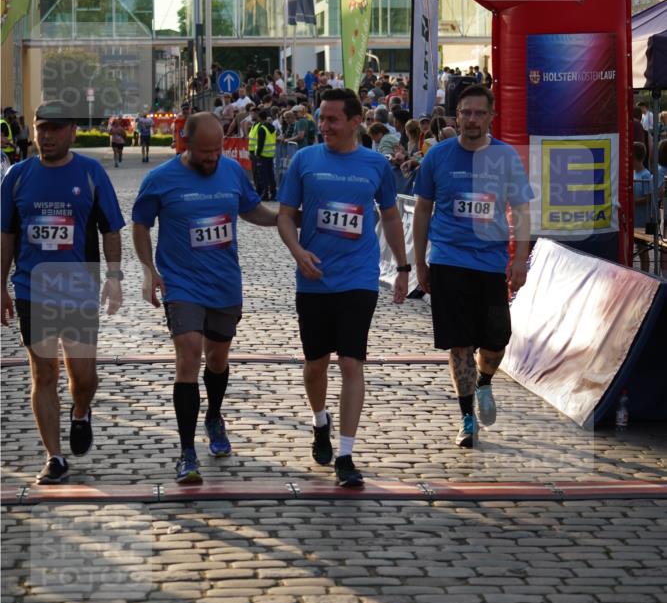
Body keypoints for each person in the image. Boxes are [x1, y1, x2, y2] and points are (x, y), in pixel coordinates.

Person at [132, 112, 278, 484]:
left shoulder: (231, 172)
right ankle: (186, 452)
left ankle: (214, 414)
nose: (213, 158)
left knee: (216, 359)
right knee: (189, 355)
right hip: (181, 284)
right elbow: (140, 224)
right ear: (185, 142)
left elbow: (253, 210)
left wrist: (283, 218)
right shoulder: (160, 180)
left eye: (217, 150)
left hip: (224, 283)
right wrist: (149, 270)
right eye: (205, 152)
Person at [277, 88, 409, 488]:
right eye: (322, 118)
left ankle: (346, 454)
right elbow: (285, 217)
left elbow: (390, 217)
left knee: (352, 363)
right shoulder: (304, 160)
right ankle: (321, 422)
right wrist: (298, 251)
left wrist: (403, 268)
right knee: (315, 365)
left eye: (333, 119)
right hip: (314, 279)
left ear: (355, 122)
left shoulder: (375, 165)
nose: (324, 126)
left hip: (358, 278)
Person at [1, 100, 124, 484]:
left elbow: (111, 228)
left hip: (78, 285)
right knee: (43, 371)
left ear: (72, 131)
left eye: (56, 129)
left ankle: (81, 411)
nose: (47, 136)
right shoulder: (17, 176)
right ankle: (54, 457)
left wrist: (114, 276)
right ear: (33, 131)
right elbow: (5, 234)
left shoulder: (90, 172)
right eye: (41, 129)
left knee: (83, 376)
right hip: (32, 287)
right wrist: (0, 285)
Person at [412, 84, 533, 447]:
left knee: (496, 341)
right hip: (449, 260)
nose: (472, 119)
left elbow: (523, 210)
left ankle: (484, 382)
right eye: (465, 112)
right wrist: (419, 262)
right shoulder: (438, 156)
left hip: (491, 263)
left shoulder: (506, 157)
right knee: (459, 345)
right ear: (456, 116)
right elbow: (421, 210)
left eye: (480, 113)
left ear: (491, 116)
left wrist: (519, 259)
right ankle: (466, 417)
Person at [633, 141, 653, 272]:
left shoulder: (645, 175)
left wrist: (634, 201)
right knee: (639, 249)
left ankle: (645, 273)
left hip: (643, 220)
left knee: (643, 250)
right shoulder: (634, 173)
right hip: (635, 219)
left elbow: (649, 198)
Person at [254, 108, 278, 201]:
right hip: (270, 154)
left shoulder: (262, 128)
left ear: (260, 118)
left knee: (263, 176)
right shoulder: (272, 127)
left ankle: (265, 195)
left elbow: (260, 143)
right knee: (271, 175)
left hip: (263, 155)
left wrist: (258, 154)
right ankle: (273, 193)